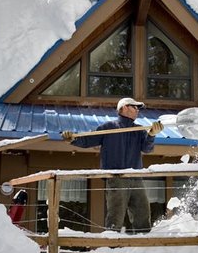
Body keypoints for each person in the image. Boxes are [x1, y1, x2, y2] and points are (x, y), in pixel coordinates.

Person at [62, 97, 164, 233]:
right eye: (135, 107)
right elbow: (88, 140)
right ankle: (110, 248)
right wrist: (72, 139)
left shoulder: (139, 130)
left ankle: (142, 248)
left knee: (143, 215)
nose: (137, 111)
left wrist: (151, 135)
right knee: (115, 217)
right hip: (116, 178)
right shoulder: (108, 128)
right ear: (125, 107)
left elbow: (147, 148)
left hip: (136, 178)